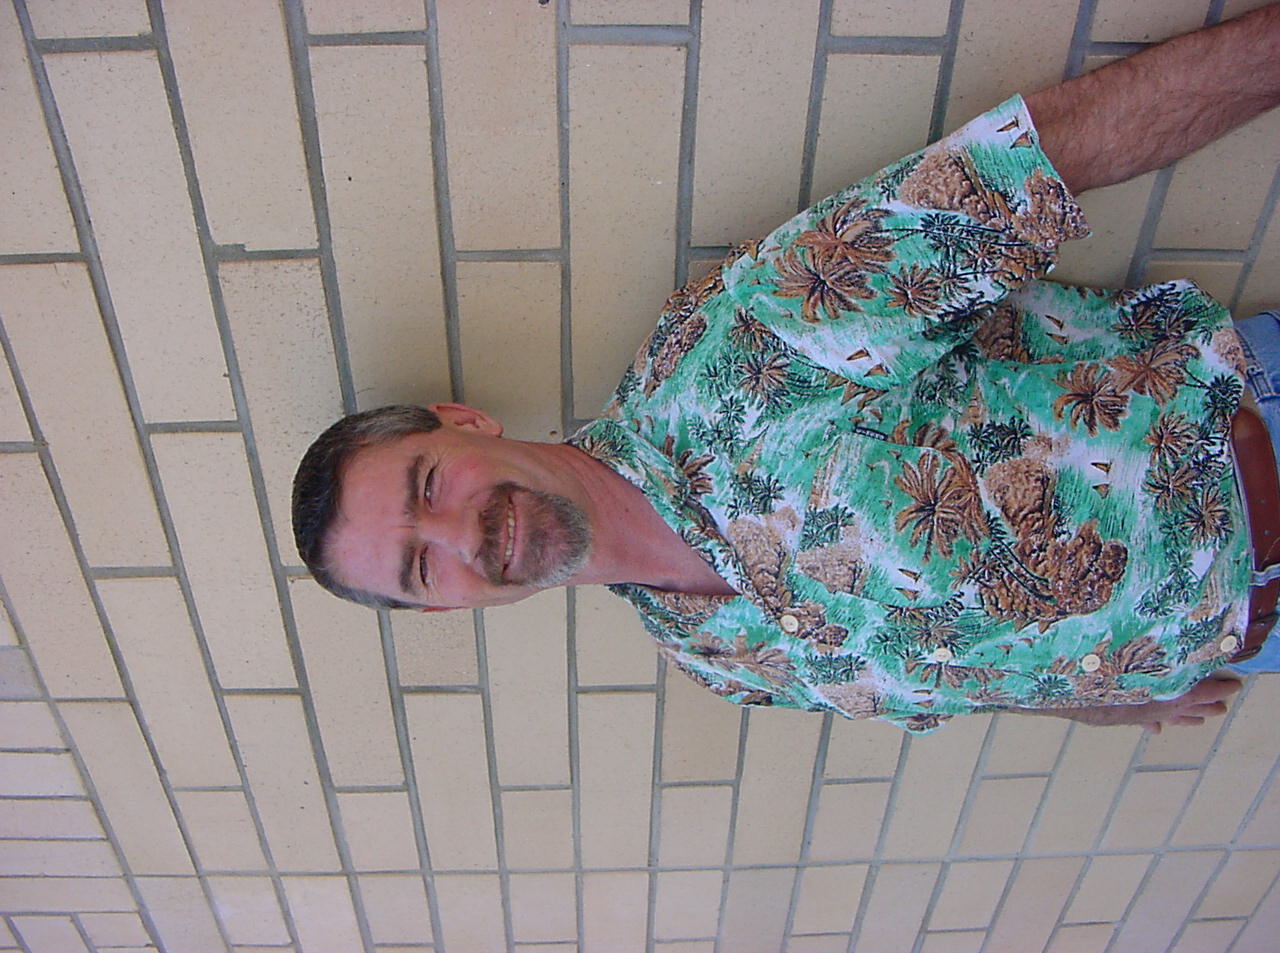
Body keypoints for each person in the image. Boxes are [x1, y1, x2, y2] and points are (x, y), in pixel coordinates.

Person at [292, 4, 1280, 733]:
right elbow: (950, 662)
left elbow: (1015, 177)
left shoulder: (732, 358)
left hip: (1252, 447)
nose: (459, 535)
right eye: (420, 566)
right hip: (1248, 632)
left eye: (429, 485)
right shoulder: (711, 659)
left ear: (463, 422)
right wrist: (1109, 698)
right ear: (445, 607)